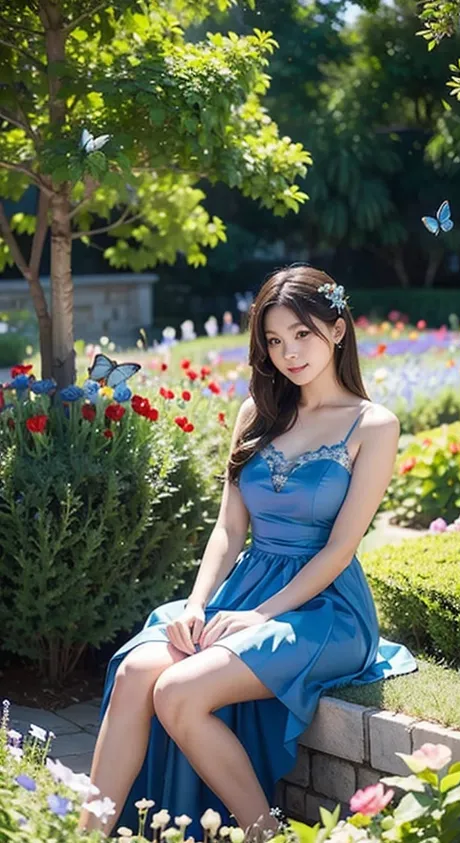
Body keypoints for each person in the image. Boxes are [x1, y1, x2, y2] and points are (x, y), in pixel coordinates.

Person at [78, 265, 417, 840]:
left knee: (179, 691)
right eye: (275, 340)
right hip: (246, 587)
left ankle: (264, 833)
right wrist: (197, 600)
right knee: (138, 669)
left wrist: (260, 616)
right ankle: (85, 832)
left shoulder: (373, 425)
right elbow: (228, 532)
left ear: (337, 330)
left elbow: (340, 550)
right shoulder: (256, 414)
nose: (290, 353)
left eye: (302, 334)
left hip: (324, 608)